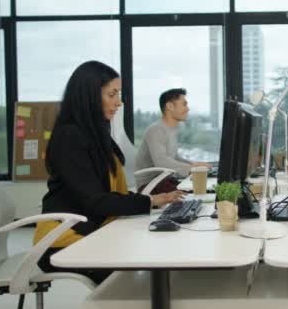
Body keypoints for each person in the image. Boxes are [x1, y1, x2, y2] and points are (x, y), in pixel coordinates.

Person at [33, 61, 182, 285]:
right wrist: (149, 200)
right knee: (138, 277)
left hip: (93, 226)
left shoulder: (95, 132)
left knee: (154, 252)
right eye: (112, 94)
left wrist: (156, 200)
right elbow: (95, 201)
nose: (118, 102)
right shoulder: (70, 138)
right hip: (63, 238)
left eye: (118, 94)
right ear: (89, 96)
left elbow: (107, 194)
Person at [135, 88, 211, 194]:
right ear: (170, 106)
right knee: (191, 195)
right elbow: (161, 161)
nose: (188, 109)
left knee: (203, 191)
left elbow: (174, 157)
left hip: (164, 180)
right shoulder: (156, 130)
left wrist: (195, 165)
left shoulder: (171, 129)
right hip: (150, 185)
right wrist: (191, 168)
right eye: (184, 104)